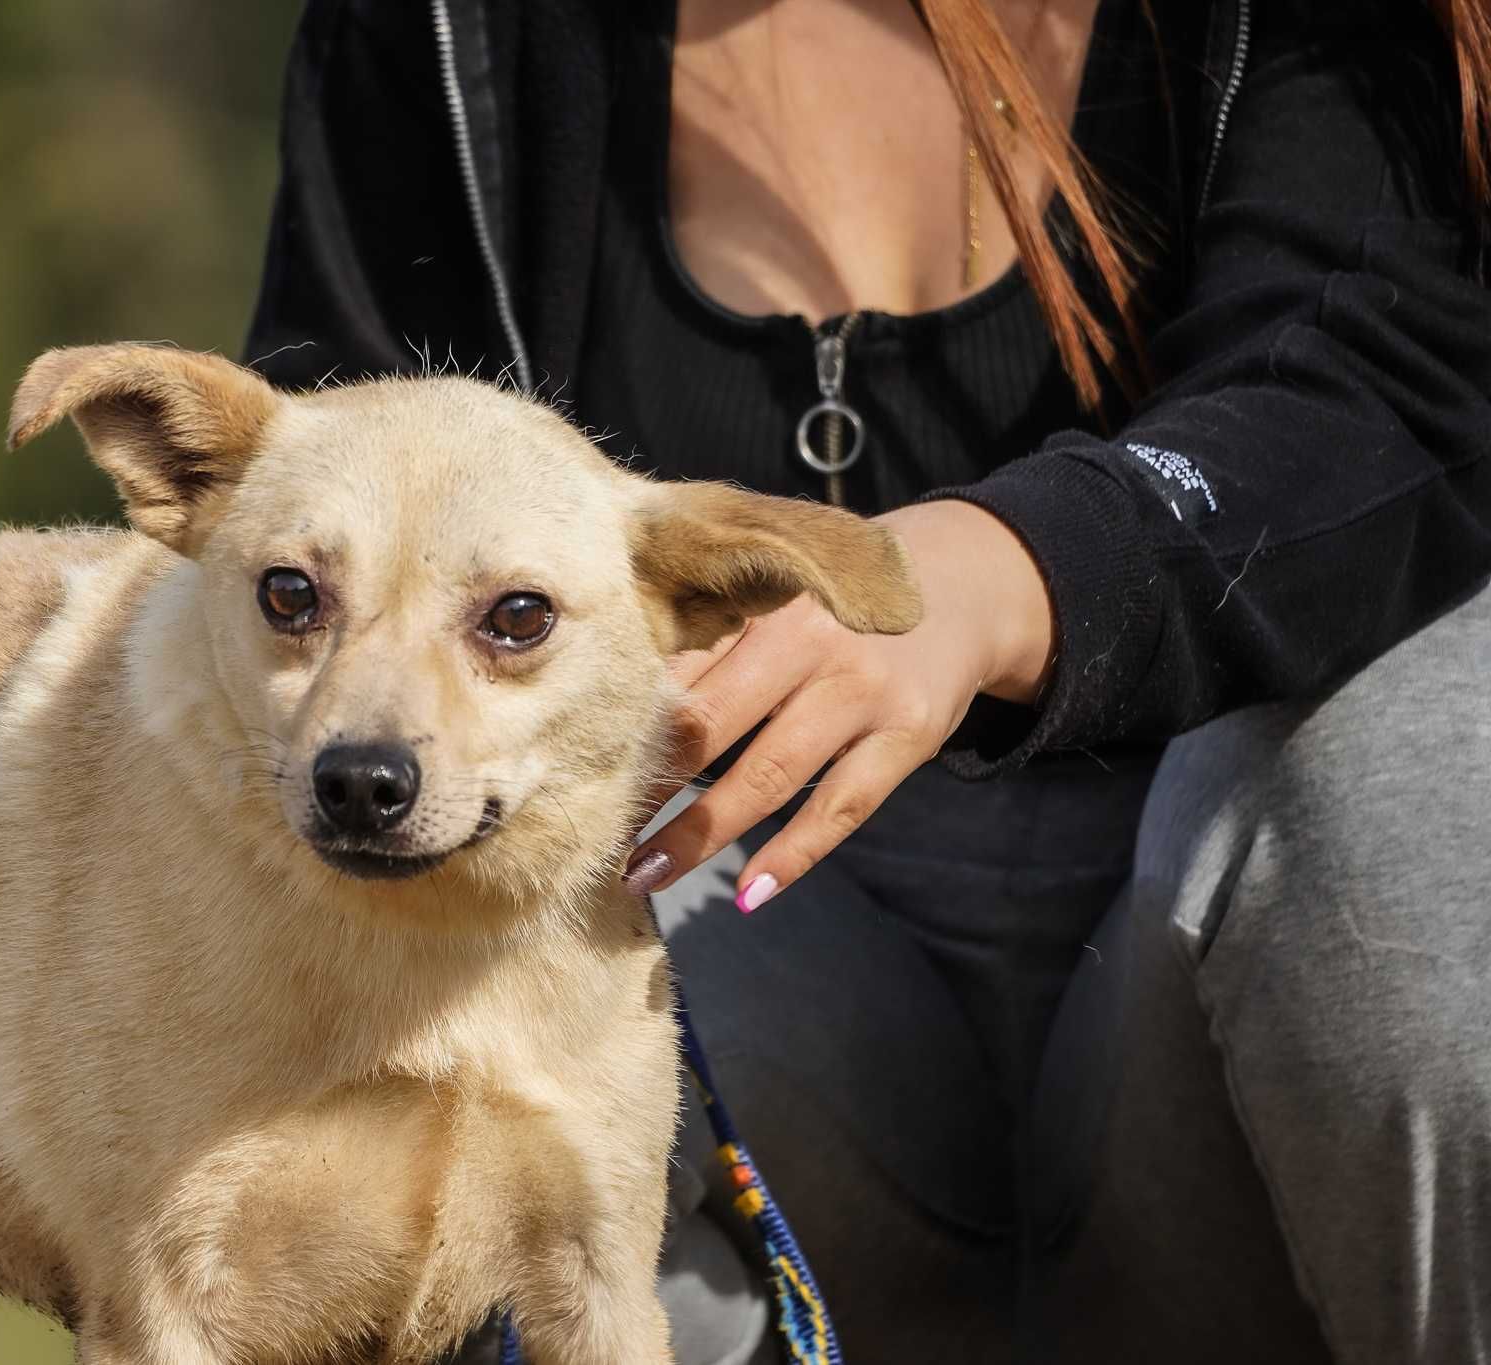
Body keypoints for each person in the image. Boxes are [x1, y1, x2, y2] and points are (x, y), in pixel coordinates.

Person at [244, 1, 1491, 1360]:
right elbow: (311, 525)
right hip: (755, 999)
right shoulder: (436, 31)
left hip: (1221, 1000)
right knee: (453, 981)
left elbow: (1397, 382)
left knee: (1402, 798)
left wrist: (1007, 569)